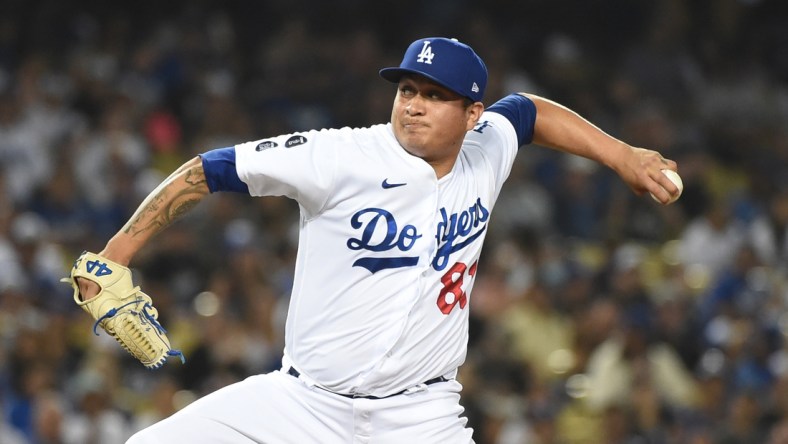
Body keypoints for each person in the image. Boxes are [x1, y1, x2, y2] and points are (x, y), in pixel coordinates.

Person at [74, 37, 681, 443]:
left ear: (472, 115)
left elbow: (527, 111)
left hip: (420, 416)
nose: (413, 106)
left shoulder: (488, 147)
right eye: (407, 90)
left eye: (434, 96)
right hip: (302, 405)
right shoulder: (340, 156)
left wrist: (619, 153)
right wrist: (114, 256)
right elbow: (207, 169)